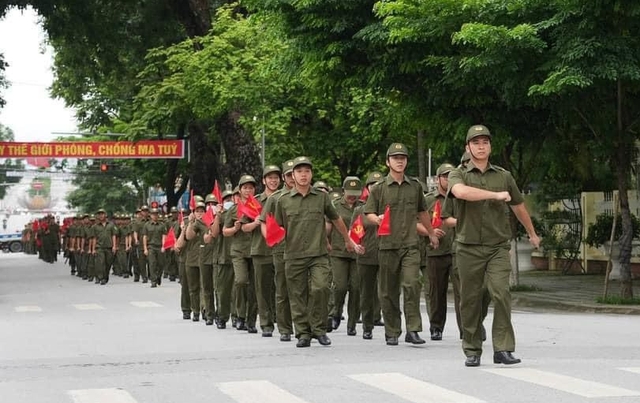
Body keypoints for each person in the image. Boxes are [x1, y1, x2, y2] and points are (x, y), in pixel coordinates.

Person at [448, 124, 540, 367]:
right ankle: (472, 348)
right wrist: (494, 195)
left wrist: (532, 233)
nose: (481, 146)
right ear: (468, 147)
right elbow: (461, 192)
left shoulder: (503, 176)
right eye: (476, 142)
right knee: (471, 299)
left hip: (498, 246)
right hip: (468, 247)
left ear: (490, 146)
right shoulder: (458, 174)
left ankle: (503, 348)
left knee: (501, 293)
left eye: (485, 142)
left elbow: (518, 206)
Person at [274, 156, 362, 348]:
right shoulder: (283, 201)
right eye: (299, 172)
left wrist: (348, 240)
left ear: (311, 174)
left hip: (318, 253)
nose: (303, 175)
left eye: (306, 171)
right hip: (294, 254)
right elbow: (276, 227)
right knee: (297, 295)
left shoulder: (321, 197)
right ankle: (303, 333)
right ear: (292, 175)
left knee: (321, 288)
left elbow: (336, 218)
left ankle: (319, 329)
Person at [364, 143, 439, 346]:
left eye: (403, 158)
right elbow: (368, 213)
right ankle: (392, 329)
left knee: (412, 283)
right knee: (388, 291)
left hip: (410, 245)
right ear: (388, 162)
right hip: (387, 246)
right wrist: (377, 219)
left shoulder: (415, 186)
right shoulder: (379, 189)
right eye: (395, 157)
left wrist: (431, 233)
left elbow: (422, 212)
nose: (399, 161)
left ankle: (413, 329)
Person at [259, 159, 296, 341]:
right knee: (282, 289)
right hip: (281, 250)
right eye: (288, 175)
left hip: (302, 250)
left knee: (304, 289)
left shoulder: (309, 195)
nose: (291, 178)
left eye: (293, 174)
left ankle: (306, 326)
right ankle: (285, 328)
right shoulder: (276, 198)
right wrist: (270, 239)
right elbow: (264, 222)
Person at [244, 165, 281, 337]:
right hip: (261, 250)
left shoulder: (284, 198)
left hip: (282, 249)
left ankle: (282, 321)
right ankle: (266, 323)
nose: (273, 181)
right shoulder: (255, 201)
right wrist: (256, 222)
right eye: (270, 178)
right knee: (262, 289)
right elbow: (244, 227)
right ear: (264, 181)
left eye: (276, 178)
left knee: (281, 288)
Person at [424, 163, 457, 341]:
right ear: (438, 180)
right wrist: (429, 231)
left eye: (451, 176)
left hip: (458, 249)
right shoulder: (429, 200)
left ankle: (467, 328)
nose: (448, 179)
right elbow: (416, 222)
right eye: (445, 176)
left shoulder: (459, 197)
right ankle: (436, 326)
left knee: (464, 292)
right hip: (435, 251)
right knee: (436, 292)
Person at [327, 176, 363, 336]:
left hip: (357, 254)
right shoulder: (334, 206)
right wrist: (326, 242)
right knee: (340, 286)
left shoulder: (363, 207)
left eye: (355, 193)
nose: (352, 197)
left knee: (356, 288)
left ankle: (352, 322)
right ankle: (335, 312)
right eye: (349, 193)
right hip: (338, 251)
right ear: (343, 191)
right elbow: (328, 227)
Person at [224, 175, 259, 333]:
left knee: (254, 286)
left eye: (251, 188)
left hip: (256, 249)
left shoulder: (258, 206)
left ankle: (251, 320)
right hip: (238, 250)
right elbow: (225, 231)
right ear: (240, 190)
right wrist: (235, 228)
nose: (248, 190)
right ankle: (239, 315)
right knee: (240, 281)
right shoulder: (233, 209)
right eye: (245, 188)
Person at [143, 208, 167, 288]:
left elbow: (164, 236)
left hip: (160, 246)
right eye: (153, 214)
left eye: (156, 214)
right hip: (151, 247)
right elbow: (145, 237)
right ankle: (153, 280)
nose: (155, 216)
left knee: (161, 264)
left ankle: (158, 276)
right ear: (150, 215)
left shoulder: (162, 225)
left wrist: (164, 246)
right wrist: (145, 248)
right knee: (152, 263)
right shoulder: (147, 225)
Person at [92, 209, 117, 285]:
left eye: (102, 214)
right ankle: (101, 277)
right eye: (99, 214)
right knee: (101, 263)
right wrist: (93, 249)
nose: (101, 215)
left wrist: (114, 246)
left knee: (108, 263)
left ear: (105, 215)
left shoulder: (111, 225)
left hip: (109, 247)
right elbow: (94, 238)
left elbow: (114, 236)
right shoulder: (95, 226)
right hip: (99, 247)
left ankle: (105, 277)